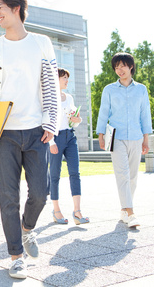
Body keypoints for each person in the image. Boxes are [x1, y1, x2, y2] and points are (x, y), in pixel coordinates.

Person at [0, 0, 60, 279]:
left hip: (36, 130)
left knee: (40, 193)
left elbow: (50, 85)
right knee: (8, 196)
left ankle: (27, 229)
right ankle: (15, 256)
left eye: (0, 8)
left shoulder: (41, 43)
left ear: (17, 8)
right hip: (4, 132)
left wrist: (51, 122)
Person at [96, 52, 152, 228]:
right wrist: (100, 135)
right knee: (122, 174)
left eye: (122, 66)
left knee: (133, 177)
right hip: (115, 137)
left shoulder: (141, 89)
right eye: (116, 67)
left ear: (131, 66)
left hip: (136, 136)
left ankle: (124, 209)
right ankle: (131, 213)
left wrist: (146, 139)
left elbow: (145, 114)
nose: (119, 70)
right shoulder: (109, 90)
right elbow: (103, 113)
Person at [49, 68, 89, 225]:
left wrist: (77, 120)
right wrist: (51, 142)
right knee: (54, 175)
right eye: (64, 78)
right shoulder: (49, 97)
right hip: (56, 137)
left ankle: (77, 212)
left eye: (67, 78)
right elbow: (45, 120)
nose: (66, 80)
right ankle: (56, 210)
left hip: (70, 137)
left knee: (75, 173)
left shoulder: (69, 97)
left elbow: (72, 120)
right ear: (56, 79)